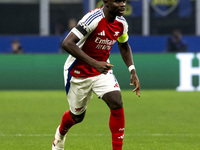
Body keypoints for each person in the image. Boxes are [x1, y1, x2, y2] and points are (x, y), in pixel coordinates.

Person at [52, 0, 140, 150]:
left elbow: (123, 45)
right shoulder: (92, 19)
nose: (122, 4)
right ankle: (60, 134)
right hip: (77, 72)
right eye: (118, 1)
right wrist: (94, 63)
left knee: (116, 102)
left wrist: (132, 69)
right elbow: (67, 43)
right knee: (77, 117)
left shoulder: (121, 23)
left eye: (124, 1)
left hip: (101, 70)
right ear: (106, 2)